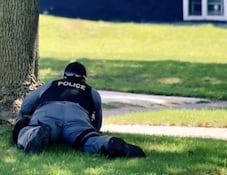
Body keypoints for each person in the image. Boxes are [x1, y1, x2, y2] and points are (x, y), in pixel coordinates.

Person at [12, 61, 146, 159]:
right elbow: (97, 124)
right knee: (89, 139)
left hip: (48, 115)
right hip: (77, 119)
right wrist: (89, 130)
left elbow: (25, 107)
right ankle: (109, 143)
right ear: (84, 79)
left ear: (64, 76)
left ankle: (37, 133)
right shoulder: (91, 92)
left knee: (27, 130)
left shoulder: (51, 84)